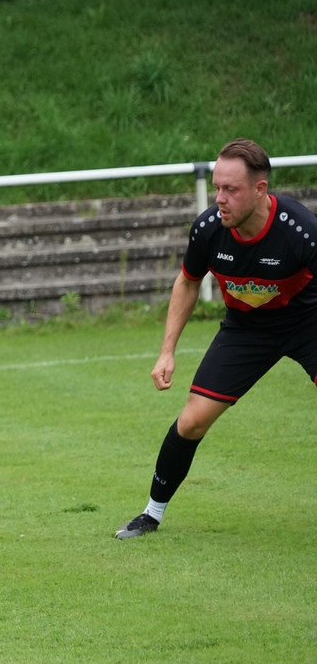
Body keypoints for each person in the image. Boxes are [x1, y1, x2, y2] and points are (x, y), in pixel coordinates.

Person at [116, 138, 317, 539]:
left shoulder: (301, 231)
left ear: (260, 190)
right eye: (216, 187)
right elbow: (188, 283)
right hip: (245, 329)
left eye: (230, 189)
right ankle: (151, 514)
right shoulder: (209, 229)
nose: (219, 198)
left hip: (306, 320)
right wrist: (166, 352)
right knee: (191, 422)